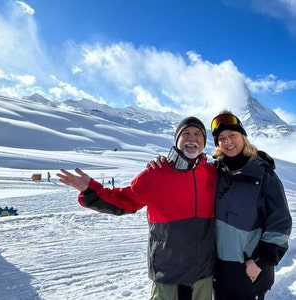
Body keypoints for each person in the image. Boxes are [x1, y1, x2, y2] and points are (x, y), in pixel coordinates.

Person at [57, 116, 217, 300]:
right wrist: (91, 191)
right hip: (168, 274)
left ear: (204, 143)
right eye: (186, 133)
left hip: (203, 274)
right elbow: (124, 200)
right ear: (177, 140)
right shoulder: (157, 172)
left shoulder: (212, 174)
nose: (192, 138)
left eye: (198, 134)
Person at [211, 110, 292, 300]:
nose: (227, 142)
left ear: (243, 137)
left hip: (249, 270)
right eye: (221, 138)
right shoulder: (217, 173)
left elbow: (280, 223)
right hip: (220, 270)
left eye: (232, 135)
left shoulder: (263, 174)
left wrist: (260, 261)